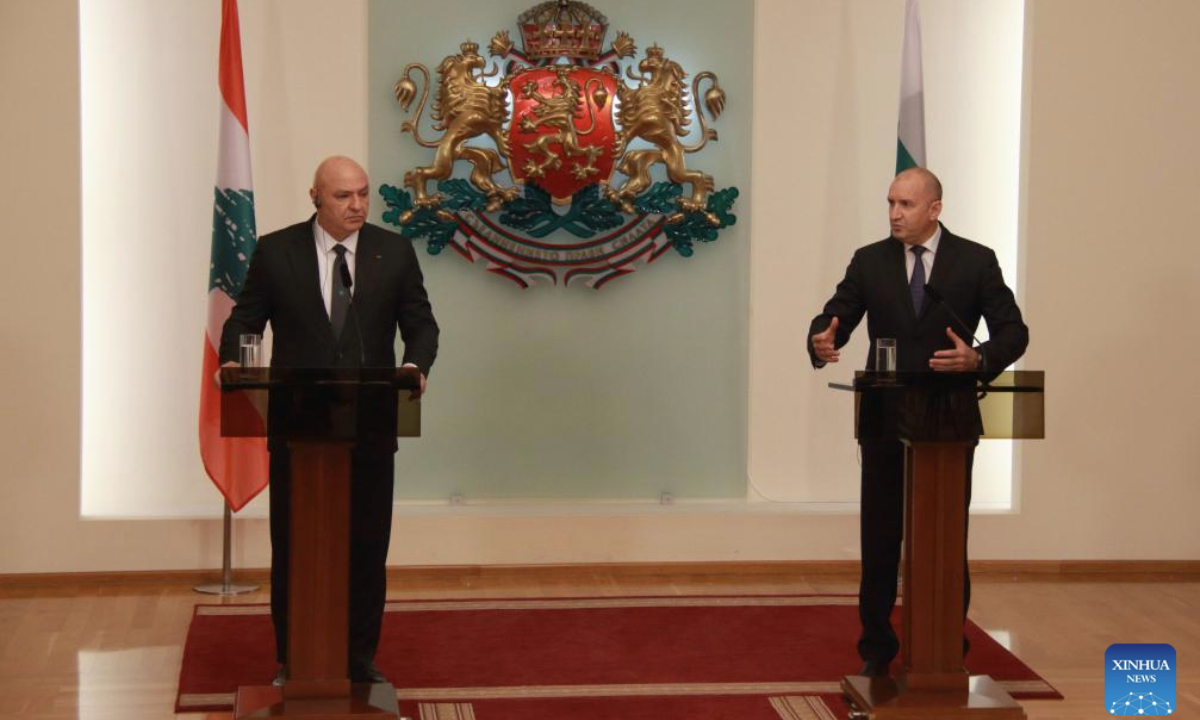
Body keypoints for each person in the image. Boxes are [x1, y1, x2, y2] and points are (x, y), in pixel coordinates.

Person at [219, 156, 439, 685]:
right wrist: (234, 360)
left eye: (363, 194)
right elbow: (245, 320)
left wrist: (414, 365)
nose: (358, 205)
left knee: (366, 548)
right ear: (315, 196)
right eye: (344, 196)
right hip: (299, 429)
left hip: (371, 426)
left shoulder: (395, 252)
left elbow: (421, 324)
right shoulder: (277, 251)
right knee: (295, 549)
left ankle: (359, 660)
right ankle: (293, 661)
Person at [807, 167, 1028, 677]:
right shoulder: (870, 261)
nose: (894, 214)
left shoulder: (976, 261)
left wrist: (979, 358)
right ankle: (877, 652)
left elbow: (1013, 331)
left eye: (905, 204)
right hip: (886, 418)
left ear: (935, 209)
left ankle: (946, 646)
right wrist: (822, 339)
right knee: (881, 537)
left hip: (948, 425)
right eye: (890, 203)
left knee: (945, 537)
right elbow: (836, 314)